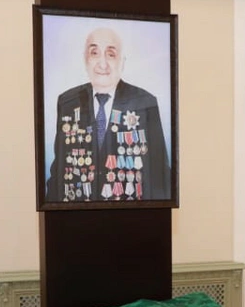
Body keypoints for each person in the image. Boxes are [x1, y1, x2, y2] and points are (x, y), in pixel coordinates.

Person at [46, 26, 171, 204]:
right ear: (85, 59)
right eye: (94, 53)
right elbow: (58, 171)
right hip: (78, 214)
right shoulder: (68, 102)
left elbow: (160, 176)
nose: (102, 64)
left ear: (122, 61)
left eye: (111, 54)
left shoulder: (145, 103)